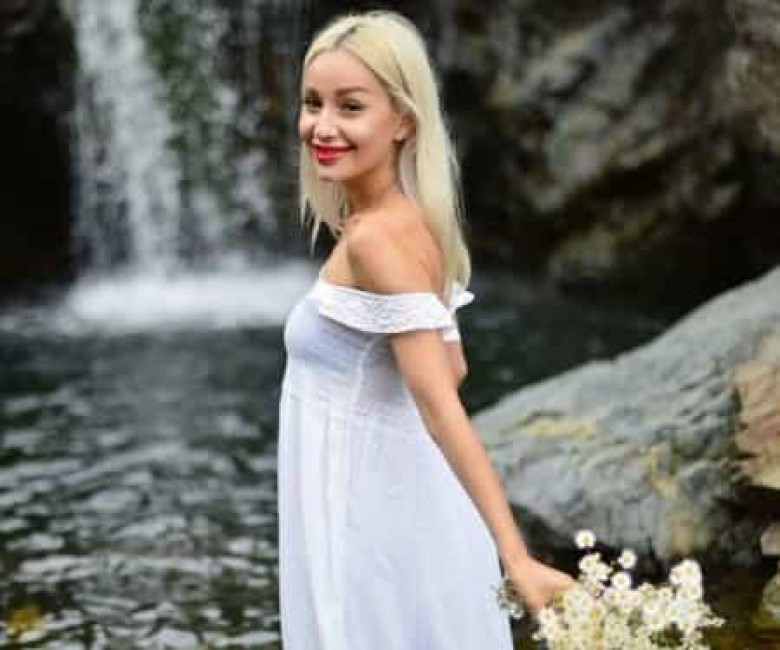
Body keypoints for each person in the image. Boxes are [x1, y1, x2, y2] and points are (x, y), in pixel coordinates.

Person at [277, 10, 575, 649]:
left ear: (403, 121)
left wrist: (515, 555)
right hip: (397, 501)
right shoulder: (415, 220)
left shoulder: (375, 241)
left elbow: (441, 404)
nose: (321, 126)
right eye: (312, 103)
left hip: (363, 520)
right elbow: (453, 367)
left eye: (350, 107)